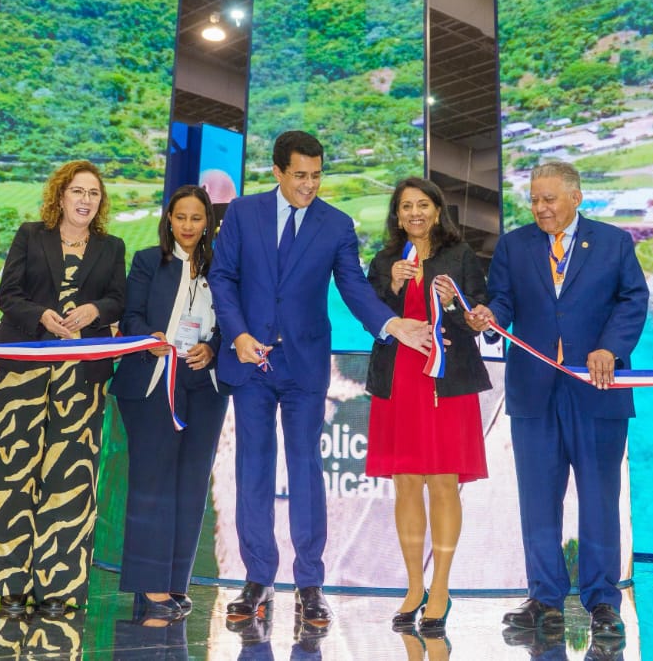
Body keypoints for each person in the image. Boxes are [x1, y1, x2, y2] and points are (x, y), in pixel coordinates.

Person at [208, 130, 432, 629]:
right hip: (250, 362)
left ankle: (310, 584)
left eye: (316, 175)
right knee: (253, 468)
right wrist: (237, 334)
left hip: (304, 364)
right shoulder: (243, 213)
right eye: (299, 176)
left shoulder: (336, 224)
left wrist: (390, 323)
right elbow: (222, 277)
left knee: (306, 469)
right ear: (277, 172)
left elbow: (352, 286)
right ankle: (257, 578)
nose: (309, 185)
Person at [469, 161, 648, 640]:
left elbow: (633, 300)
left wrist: (611, 348)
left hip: (597, 390)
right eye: (534, 199)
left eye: (549, 199)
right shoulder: (514, 245)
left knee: (599, 499)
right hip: (534, 391)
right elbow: (503, 301)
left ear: (576, 197)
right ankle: (544, 598)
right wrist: (489, 316)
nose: (540, 208)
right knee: (537, 500)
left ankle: (603, 602)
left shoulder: (613, 242)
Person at [0, 160, 126, 617]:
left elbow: (118, 300)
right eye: (78, 191)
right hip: (20, 370)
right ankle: (5, 583)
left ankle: (57, 587)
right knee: (7, 474)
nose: (86, 200)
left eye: (93, 193)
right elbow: (8, 295)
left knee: (68, 479)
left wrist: (94, 311)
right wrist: (41, 317)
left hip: (81, 376)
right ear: (60, 195)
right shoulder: (31, 235)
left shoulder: (112, 247)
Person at [364, 177, 490, 635]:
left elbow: (479, 318)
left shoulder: (460, 256)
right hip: (399, 381)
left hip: (446, 382)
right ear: (397, 216)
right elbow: (370, 317)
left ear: (437, 210)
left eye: (422, 205)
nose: (414, 213)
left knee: (442, 482)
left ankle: (441, 587)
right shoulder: (384, 261)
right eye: (405, 206)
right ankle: (414, 585)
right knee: (405, 484)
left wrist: (456, 305)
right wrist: (392, 288)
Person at [115, 185, 229, 621]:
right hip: (154, 380)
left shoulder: (222, 267)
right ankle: (150, 587)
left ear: (207, 223)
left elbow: (231, 319)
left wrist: (213, 347)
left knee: (192, 484)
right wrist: (151, 339)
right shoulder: (149, 261)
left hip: (205, 383)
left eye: (196, 218)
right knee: (153, 482)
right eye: (180, 217)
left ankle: (176, 583)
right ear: (169, 219)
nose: (188, 226)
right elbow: (131, 315)